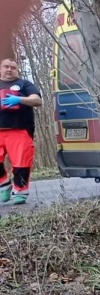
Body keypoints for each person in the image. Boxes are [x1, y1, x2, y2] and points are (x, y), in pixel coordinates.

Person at [0, 58, 43, 205]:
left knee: (21, 164)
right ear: (0, 69)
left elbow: (37, 100)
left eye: (13, 67)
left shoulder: (24, 84)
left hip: (19, 130)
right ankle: (4, 184)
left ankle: (20, 191)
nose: (9, 69)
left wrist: (19, 100)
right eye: (6, 66)